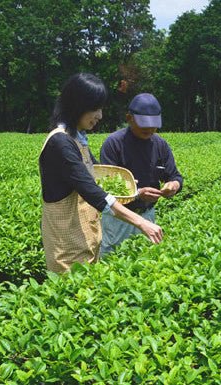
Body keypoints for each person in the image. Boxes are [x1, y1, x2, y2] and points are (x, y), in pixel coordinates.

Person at [39, 73, 163, 273]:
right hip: (67, 249)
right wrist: (141, 222)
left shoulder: (77, 139)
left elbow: (99, 177)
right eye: (95, 109)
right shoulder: (60, 143)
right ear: (77, 106)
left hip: (85, 241)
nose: (100, 115)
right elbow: (92, 191)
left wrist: (136, 192)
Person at [99, 93, 183, 256]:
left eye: (153, 125)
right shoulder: (114, 144)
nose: (150, 129)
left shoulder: (160, 145)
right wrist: (137, 194)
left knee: (145, 258)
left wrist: (173, 186)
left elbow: (175, 176)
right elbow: (107, 189)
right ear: (129, 118)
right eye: (144, 125)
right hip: (119, 218)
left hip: (147, 215)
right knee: (113, 258)